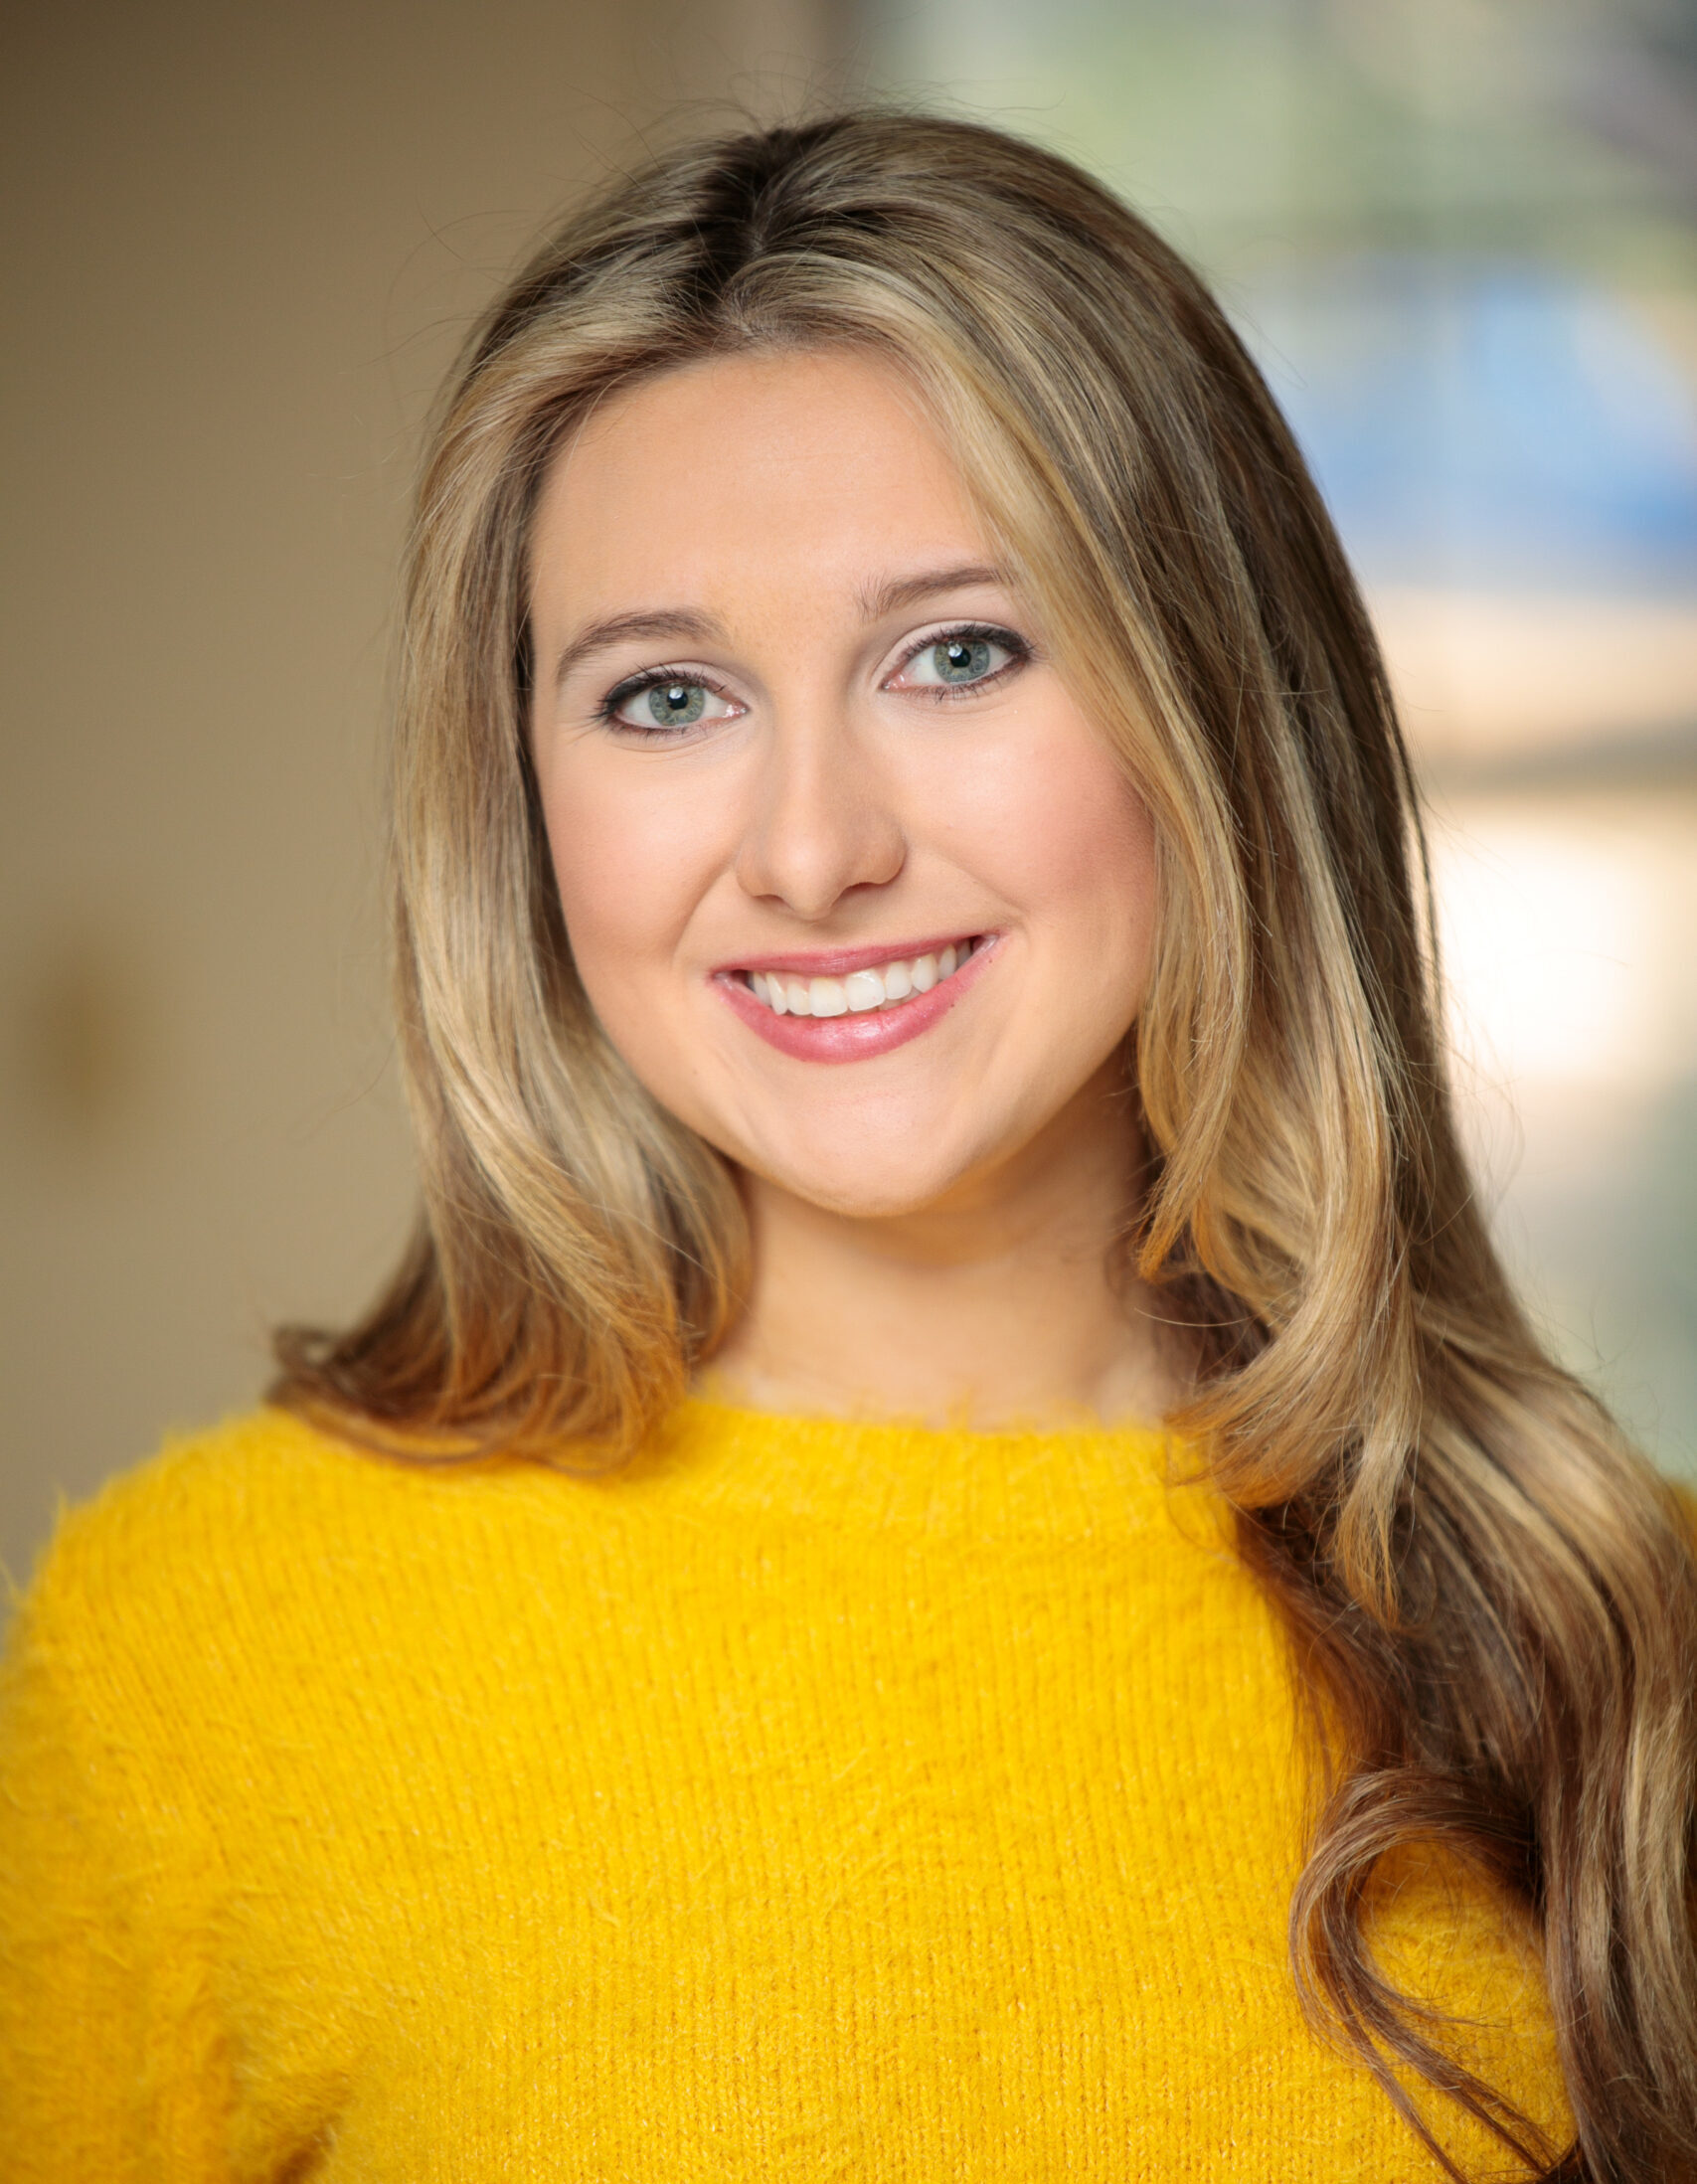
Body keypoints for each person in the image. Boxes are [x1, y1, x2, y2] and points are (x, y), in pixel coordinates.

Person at [2, 111, 1694, 2184]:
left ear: (1213, 709)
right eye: (663, 697)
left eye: (957, 654)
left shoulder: (1621, 1640)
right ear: (520, 797)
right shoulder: (188, 1652)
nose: (811, 852)